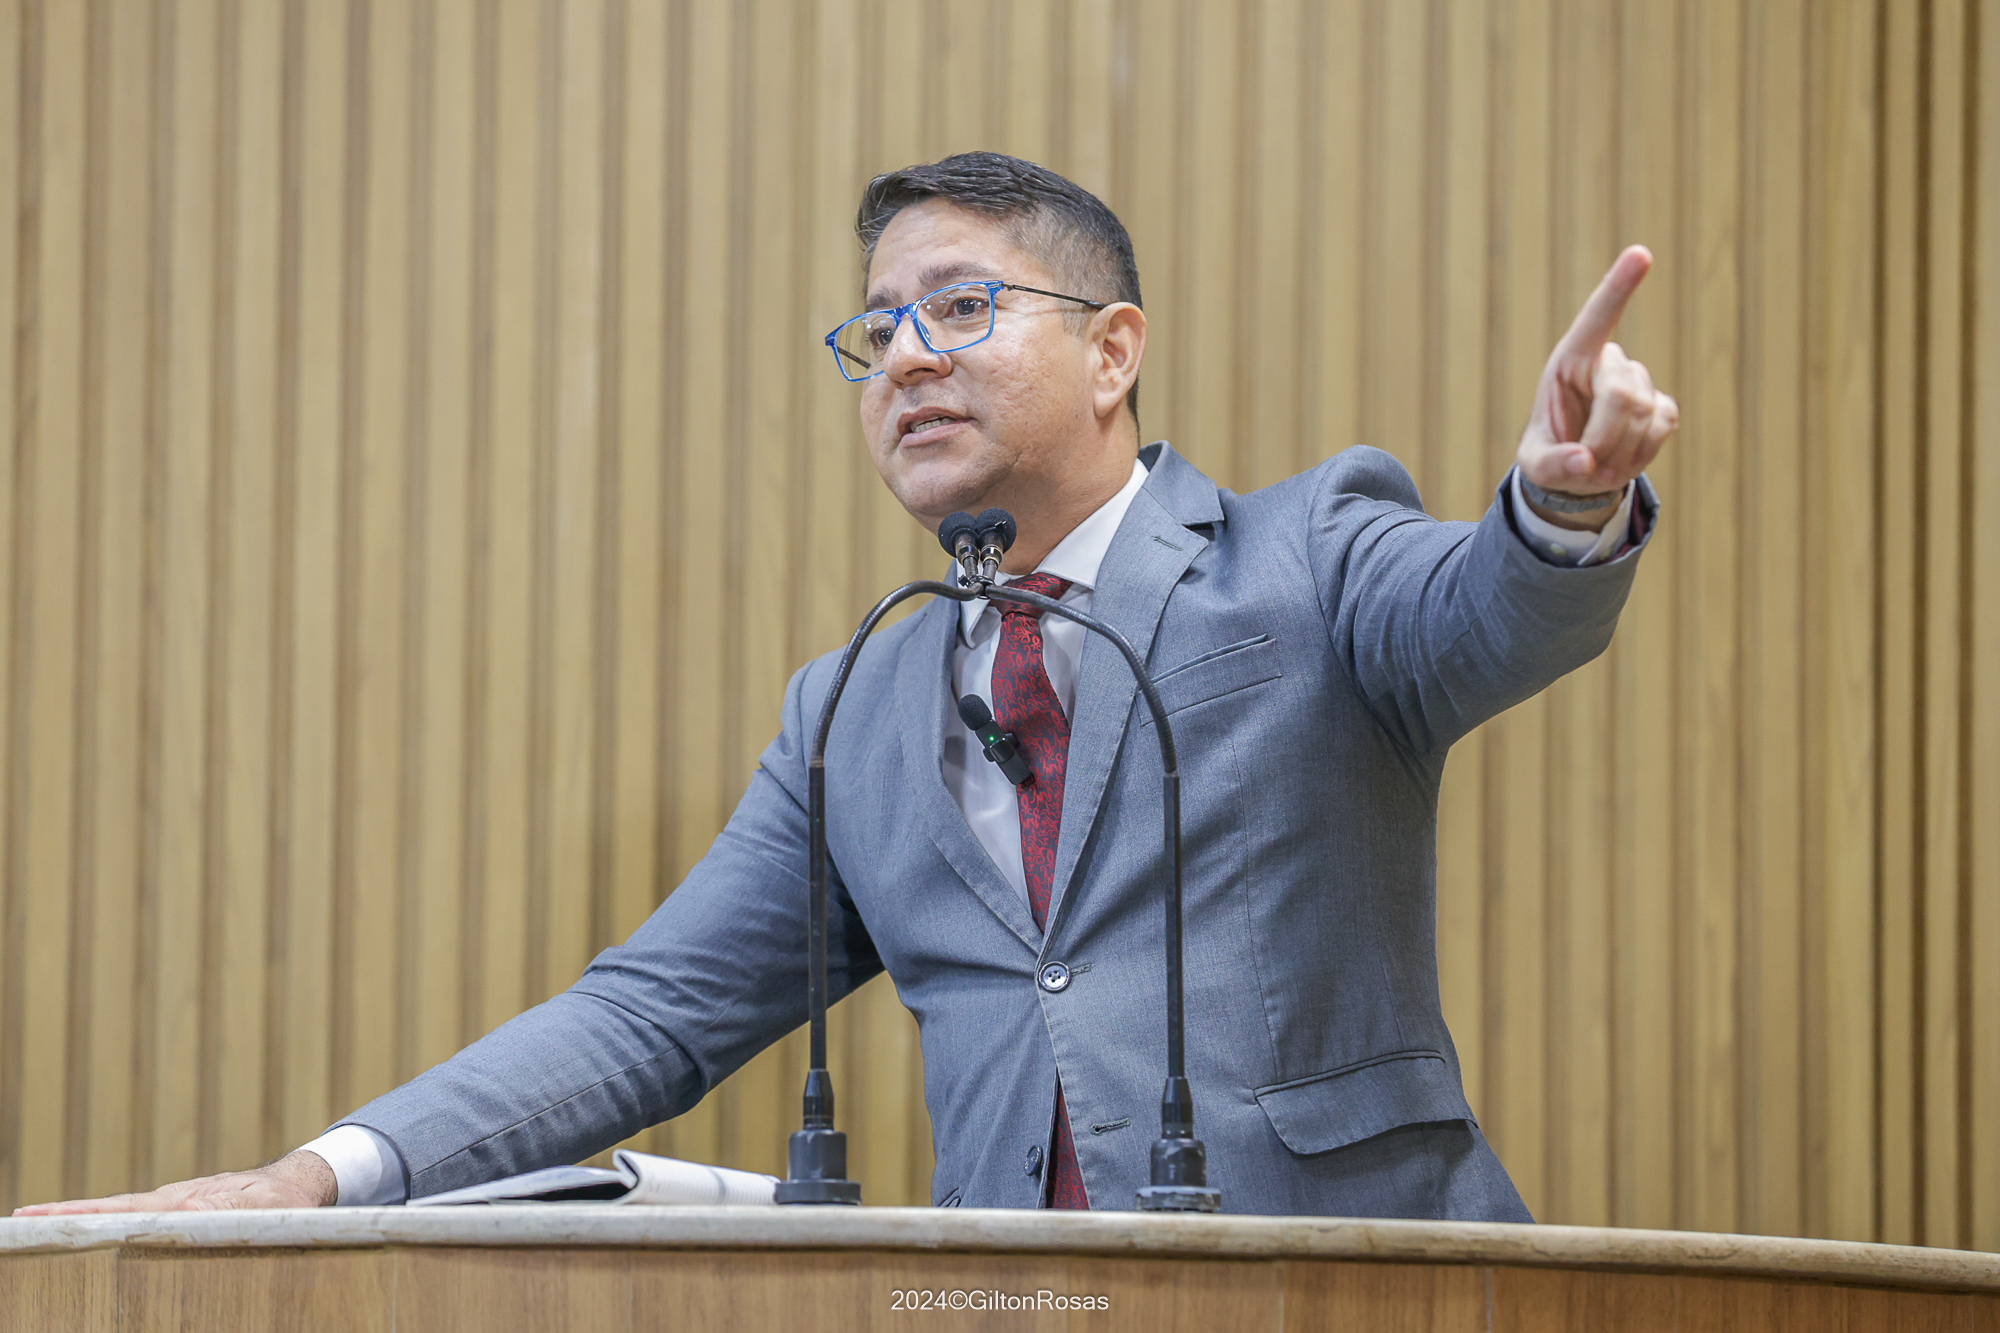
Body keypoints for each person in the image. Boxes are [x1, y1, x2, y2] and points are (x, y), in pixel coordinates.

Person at [18, 152, 1675, 1218]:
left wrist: (1561, 505)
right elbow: (650, 1010)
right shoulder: (857, 709)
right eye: (876, 332)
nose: (906, 359)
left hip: (1360, 1287)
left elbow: (1487, 615)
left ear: (1113, 349)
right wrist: (318, 1175)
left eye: (962, 306)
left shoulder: (1304, 552)